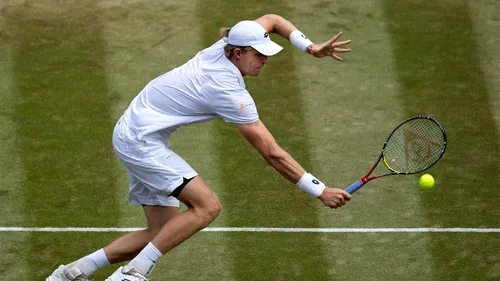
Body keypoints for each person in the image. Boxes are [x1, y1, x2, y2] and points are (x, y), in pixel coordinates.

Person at [46, 13, 353, 281]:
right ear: (237, 53)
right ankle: (132, 274)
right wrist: (320, 190)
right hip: (140, 141)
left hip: (134, 130)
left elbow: (271, 19)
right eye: (259, 54)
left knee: (162, 233)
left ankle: (71, 273)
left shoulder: (224, 46)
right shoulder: (226, 89)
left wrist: (309, 47)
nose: (265, 60)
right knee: (208, 207)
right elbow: (272, 153)